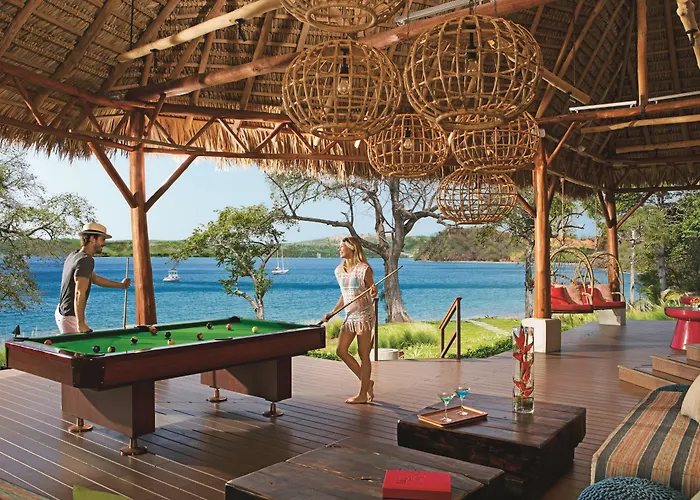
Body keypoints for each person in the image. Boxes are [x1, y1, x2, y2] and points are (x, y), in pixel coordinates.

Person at [322, 237, 378, 404]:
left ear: (352, 248)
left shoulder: (364, 269)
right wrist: (332, 312)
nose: (339, 249)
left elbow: (372, 290)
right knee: (341, 350)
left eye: (342, 247)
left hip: (364, 315)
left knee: (363, 354)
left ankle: (362, 394)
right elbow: (345, 295)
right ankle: (367, 382)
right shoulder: (339, 271)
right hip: (349, 315)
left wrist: (373, 291)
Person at [56, 223, 131, 334]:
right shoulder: (86, 260)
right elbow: (79, 293)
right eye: (102, 239)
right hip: (71, 317)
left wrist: (121, 285)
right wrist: (80, 324)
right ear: (92, 239)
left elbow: (94, 278)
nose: (104, 243)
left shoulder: (74, 255)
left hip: (63, 312)